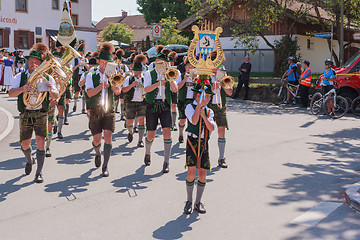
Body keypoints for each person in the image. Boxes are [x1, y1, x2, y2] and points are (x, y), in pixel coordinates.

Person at [8, 43, 59, 183]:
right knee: (25, 144)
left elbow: (56, 96)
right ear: (27, 62)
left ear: (41, 63)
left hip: (41, 112)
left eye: (37, 62)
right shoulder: (20, 77)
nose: (34, 64)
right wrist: (22, 89)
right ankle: (30, 160)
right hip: (26, 113)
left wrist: (51, 90)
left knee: (40, 142)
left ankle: (39, 173)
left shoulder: (48, 77)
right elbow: (11, 93)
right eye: (31, 61)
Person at [85, 42, 121, 177]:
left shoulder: (113, 74)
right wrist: (101, 86)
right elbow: (89, 93)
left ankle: (105, 166)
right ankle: (97, 152)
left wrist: (112, 82)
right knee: (97, 139)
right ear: (99, 61)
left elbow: (117, 92)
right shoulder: (91, 74)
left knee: (108, 136)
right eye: (103, 62)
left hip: (109, 110)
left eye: (108, 62)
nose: (105, 65)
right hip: (95, 109)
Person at [183, 79, 216, 215]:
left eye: (208, 96)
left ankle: (198, 201)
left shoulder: (209, 111)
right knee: (191, 173)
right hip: (192, 141)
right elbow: (195, 121)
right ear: (198, 96)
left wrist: (205, 116)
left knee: (202, 174)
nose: (208, 99)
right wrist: (198, 108)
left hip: (204, 143)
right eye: (206, 96)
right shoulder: (190, 107)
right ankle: (189, 201)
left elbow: (212, 128)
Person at [143, 50, 178, 173]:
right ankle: (147, 152)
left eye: (164, 63)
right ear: (156, 62)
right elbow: (146, 89)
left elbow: (175, 90)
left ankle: (166, 161)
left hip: (165, 105)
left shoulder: (170, 74)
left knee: (167, 131)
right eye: (159, 62)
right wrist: (158, 83)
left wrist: (170, 79)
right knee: (151, 134)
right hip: (152, 105)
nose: (161, 64)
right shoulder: (149, 73)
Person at [209, 50, 233, 169]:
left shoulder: (223, 72)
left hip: (220, 104)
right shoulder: (206, 71)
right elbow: (200, 89)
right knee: (206, 132)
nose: (218, 66)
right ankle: (204, 157)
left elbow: (229, 92)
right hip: (208, 105)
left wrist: (223, 84)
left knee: (222, 130)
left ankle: (221, 157)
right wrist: (213, 85)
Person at [122, 54, 147, 147]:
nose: (137, 73)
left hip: (142, 102)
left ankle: (140, 140)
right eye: (136, 71)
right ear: (133, 71)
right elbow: (123, 90)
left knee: (141, 121)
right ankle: (130, 132)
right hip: (131, 102)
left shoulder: (144, 79)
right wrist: (131, 85)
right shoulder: (129, 79)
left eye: (139, 71)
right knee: (129, 122)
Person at [177, 56, 195, 143]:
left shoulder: (196, 76)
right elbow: (177, 87)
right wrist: (184, 80)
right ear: (185, 67)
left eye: (192, 66)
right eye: (188, 66)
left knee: (192, 120)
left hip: (192, 100)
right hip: (183, 100)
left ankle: (190, 137)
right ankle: (180, 133)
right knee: (182, 120)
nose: (190, 68)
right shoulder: (181, 75)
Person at [71, 43, 86, 113]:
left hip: (83, 76)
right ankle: (75, 105)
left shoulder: (84, 59)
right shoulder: (75, 59)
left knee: (83, 92)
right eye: (81, 52)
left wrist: (85, 64)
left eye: (83, 52)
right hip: (76, 77)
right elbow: (73, 69)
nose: (82, 54)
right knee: (76, 92)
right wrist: (78, 65)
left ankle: (83, 108)